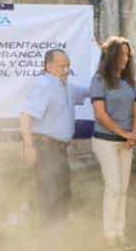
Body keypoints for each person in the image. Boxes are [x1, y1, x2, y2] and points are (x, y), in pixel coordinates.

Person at [19, 49, 89, 223]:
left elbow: (87, 92)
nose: (66, 70)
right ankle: (46, 242)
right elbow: (25, 116)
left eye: (68, 66)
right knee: (49, 197)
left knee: (62, 195)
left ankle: (58, 240)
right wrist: (28, 147)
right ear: (48, 67)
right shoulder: (45, 85)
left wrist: (105, 66)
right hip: (46, 149)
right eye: (62, 66)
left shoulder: (66, 86)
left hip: (59, 150)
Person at [90, 37, 136, 250]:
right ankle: (108, 235)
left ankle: (120, 232)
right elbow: (100, 114)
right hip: (105, 141)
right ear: (111, 56)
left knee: (124, 189)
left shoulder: (129, 82)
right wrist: (124, 133)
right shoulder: (99, 80)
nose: (126, 58)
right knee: (114, 187)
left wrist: (134, 133)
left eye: (128, 54)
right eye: (122, 54)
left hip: (126, 143)